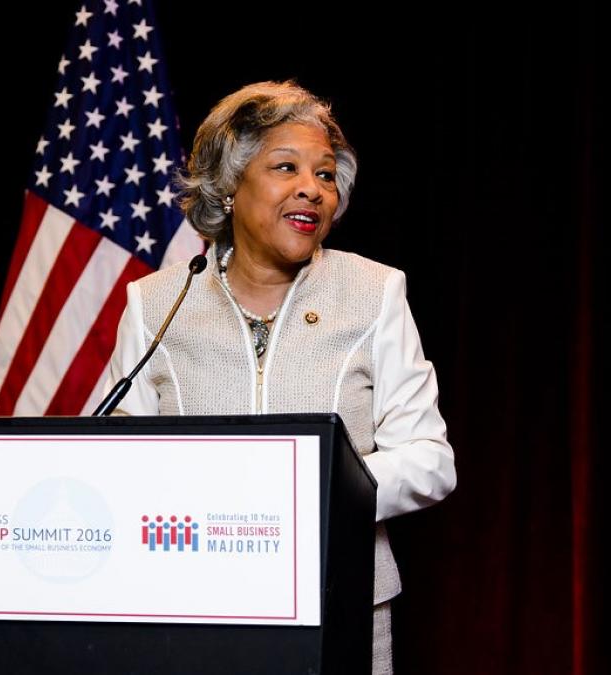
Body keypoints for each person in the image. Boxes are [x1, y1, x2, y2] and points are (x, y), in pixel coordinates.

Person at [105, 80, 456, 674]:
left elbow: (429, 460)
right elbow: (116, 461)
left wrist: (305, 488)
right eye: (285, 166)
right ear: (229, 184)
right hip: (190, 608)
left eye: (325, 175)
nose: (312, 190)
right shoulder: (155, 303)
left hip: (342, 605)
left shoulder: (374, 293)